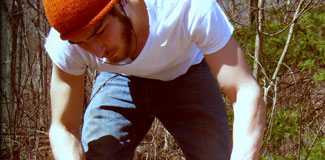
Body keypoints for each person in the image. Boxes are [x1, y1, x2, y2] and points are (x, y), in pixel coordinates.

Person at [42, 0, 266, 159]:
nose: (97, 51)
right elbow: (63, 128)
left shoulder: (187, 7)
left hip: (186, 72)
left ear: (122, 3)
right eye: (81, 43)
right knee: (99, 154)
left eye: (99, 31)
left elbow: (245, 90)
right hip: (120, 78)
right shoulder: (67, 42)